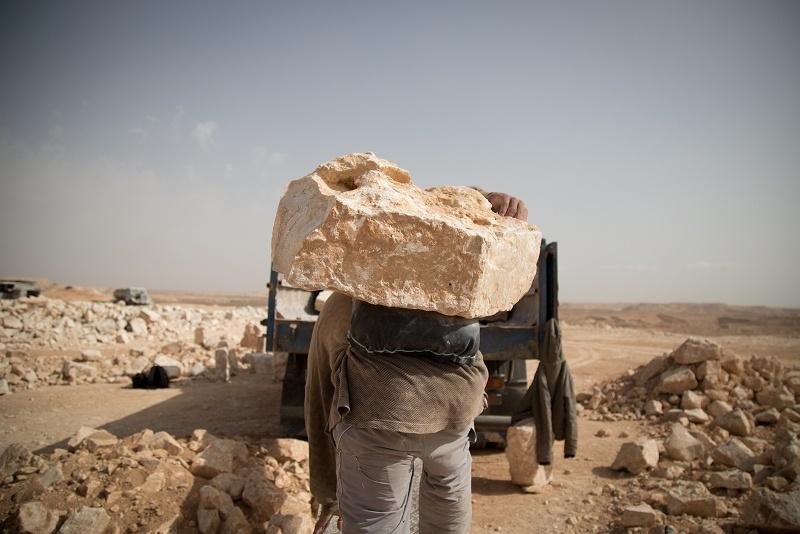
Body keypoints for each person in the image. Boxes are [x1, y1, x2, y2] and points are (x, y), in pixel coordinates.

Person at [305, 191, 529, 534]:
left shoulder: (339, 306)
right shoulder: (453, 293)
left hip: (379, 423)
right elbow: (439, 203)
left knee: (376, 523)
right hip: (453, 424)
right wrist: (486, 199)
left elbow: (320, 399)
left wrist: (328, 494)